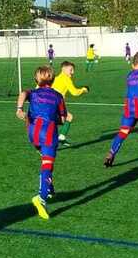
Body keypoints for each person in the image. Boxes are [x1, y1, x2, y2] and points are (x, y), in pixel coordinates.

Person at [15, 66, 66, 220]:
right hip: (49, 133)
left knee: (45, 158)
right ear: (53, 79)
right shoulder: (58, 96)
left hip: (33, 133)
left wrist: (19, 109)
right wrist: (54, 117)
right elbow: (63, 120)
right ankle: (41, 198)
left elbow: (23, 93)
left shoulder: (34, 93)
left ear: (36, 79)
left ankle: (49, 188)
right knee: (47, 164)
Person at [51, 61, 89, 145]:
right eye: (71, 70)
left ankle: (61, 137)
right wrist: (83, 89)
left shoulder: (56, 78)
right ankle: (45, 145)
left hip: (49, 103)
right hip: (56, 104)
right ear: (63, 69)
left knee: (68, 117)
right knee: (60, 120)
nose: (72, 72)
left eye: (73, 70)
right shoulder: (66, 78)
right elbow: (74, 92)